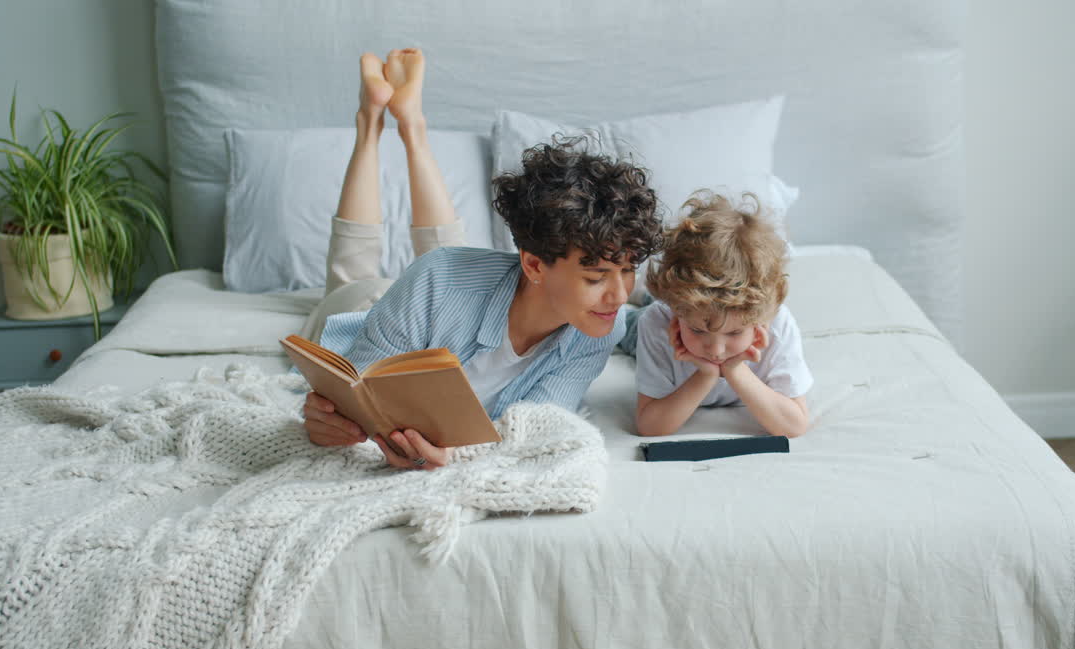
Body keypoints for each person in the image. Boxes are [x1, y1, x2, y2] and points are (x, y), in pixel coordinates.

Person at [299, 48, 663, 470]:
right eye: (597, 276)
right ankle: (370, 126)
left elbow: (539, 423)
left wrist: (454, 456)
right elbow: (359, 395)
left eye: (628, 270)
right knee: (356, 273)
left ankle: (414, 126)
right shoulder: (436, 281)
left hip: (443, 295)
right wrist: (331, 423)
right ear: (533, 265)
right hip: (362, 306)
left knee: (444, 259)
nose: (619, 295)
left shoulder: (602, 325)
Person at [630, 191, 812, 437]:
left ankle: (648, 298)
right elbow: (650, 427)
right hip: (644, 323)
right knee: (627, 325)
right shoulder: (657, 322)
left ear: (760, 321)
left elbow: (795, 426)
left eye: (735, 332)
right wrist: (705, 376)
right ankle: (640, 298)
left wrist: (736, 370)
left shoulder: (778, 324)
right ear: (676, 311)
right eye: (697, 330)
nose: (716, 350)